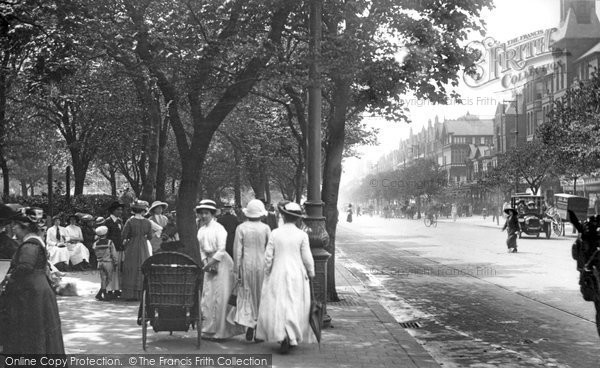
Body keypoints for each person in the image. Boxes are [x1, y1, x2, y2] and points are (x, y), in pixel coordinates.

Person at [1, 206, 65, 354]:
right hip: (38, 290)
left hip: (32, 293)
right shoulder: (35, 241)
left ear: (24, 227)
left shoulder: (29, 244)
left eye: (15, 225)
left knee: (33, 329)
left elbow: (25, 266)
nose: (14, 229)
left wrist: (10, 277)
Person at [255, 201, 316, 353]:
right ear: (297, 218)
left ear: (283, 215)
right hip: (296, 272)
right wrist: (311, 272)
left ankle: (282, 334)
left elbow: (268, 256)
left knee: (279, 304)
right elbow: (307, 257)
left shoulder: (275, 233)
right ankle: (292, 335)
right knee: (294, 303)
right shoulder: (302, 235)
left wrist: (268, 272)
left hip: (278, 271)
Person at [196, 199, 243, 340]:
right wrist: (205, 262)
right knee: (208, 296)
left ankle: (221, 331)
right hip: (209, 263)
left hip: (222, 263)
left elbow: (221, 249)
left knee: (221, 297)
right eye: (202, 213)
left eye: (207, 213)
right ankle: (208, 329)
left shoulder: (219, 228)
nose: (204, 216)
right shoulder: (201, 230)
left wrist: (212, 263)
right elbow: (202, 249)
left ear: (212, 214)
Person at [231, 199, 271, 341]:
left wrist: (237, 269)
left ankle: (249, 325)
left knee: (247, 295)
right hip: (262, 265)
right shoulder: (266, 228)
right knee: (260, 295)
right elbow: (269, 249)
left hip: (246, 265)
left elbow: (237, 250)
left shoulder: (241, 228)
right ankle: (258, 328)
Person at [121, 200, 153, 301]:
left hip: (132, 246)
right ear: (143, 210)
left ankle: (130, 294)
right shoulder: (147, 222)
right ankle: (142, 293)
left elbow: (123, 235)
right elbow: (150, 236)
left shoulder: (130, 221)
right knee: (142, 266)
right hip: (143, 246)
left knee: (131, 267)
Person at [104, 201, 124, 299]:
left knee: (118, 270)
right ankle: (108, 290)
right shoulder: (107, 221)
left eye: (121, 209)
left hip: (119, 248)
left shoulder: (120, 221)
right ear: (113, 211)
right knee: (110, 270)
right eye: (118, 209)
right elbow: (105, 237)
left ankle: (117, 289)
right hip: (111, 249)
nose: (120, 211)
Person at [93, 226, 117, 301]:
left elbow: (95, 252)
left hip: (100, 262)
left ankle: (101, 294)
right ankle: (104, 294)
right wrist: (115, 262)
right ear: (106, 233)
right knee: (109, 279)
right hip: (108, 262)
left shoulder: (95, 243)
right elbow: (113, 253)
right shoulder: (110, 242)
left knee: (103, 279)